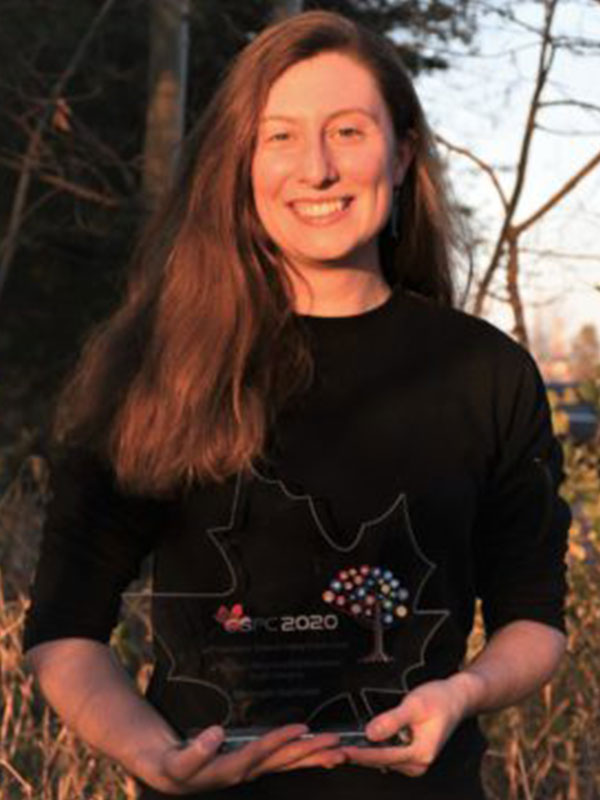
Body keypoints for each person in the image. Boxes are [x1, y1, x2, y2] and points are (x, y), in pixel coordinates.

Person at [23, 10, 570, 800]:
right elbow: (66, 630)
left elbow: (534, 620)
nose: (316, 168)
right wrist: (149, 753)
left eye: (349, 131)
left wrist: (465, 692)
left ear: (403, 149)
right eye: (280, 136)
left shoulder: (487, 372)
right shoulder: (156, 369)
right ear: (240, 163)